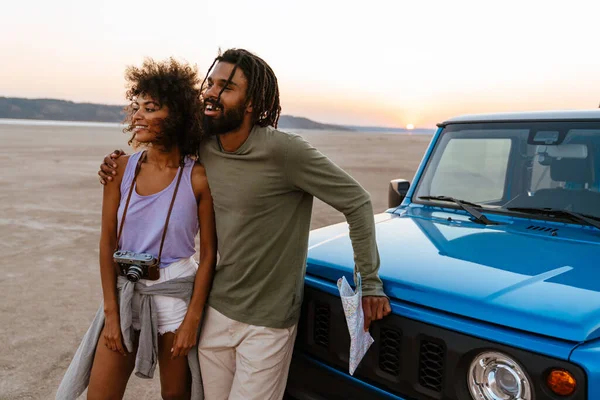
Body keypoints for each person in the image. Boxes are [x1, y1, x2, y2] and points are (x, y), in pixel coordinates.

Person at [98, 48, 390, 400]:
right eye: (211, 83)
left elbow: (357, 202)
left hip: (268, 321)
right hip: (217, 310)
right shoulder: (203, 146)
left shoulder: (286, 152)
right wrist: (116, 163)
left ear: (250, 103)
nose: (211, 93)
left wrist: (370, 284)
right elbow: (164, 143)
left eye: (226, 87)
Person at [59, 58, 217, 400]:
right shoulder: (119, 169)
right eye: (137, 107)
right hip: (125, 293)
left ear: (175, 115)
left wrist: (192, 319)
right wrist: (112, 315)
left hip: (176, 298)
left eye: (150, 108)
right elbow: (106, 244)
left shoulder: (199, 177)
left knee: (176, 395)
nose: (138, 116)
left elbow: (208, 255)